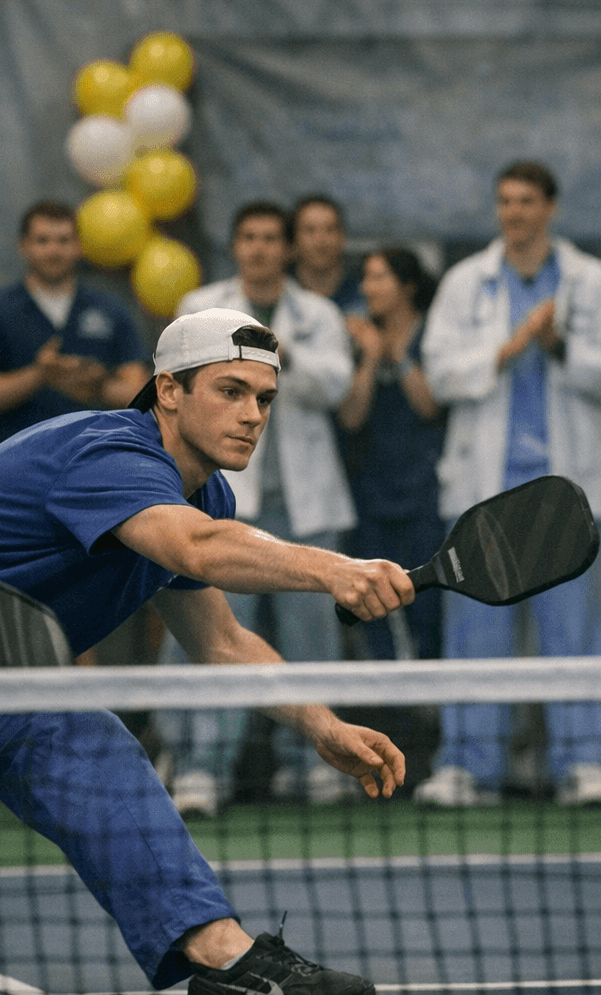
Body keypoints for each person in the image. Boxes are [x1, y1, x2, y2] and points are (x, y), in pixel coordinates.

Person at [0, 307, 412, 995]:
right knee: (67, 728)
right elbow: (195, 547)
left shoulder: (202, 497)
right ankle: (223, 953)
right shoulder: (109, 453)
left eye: (263, 398)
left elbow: (223, 642)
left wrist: (324, 725)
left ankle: (219, 951)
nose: (252, 415)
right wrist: (335, 568)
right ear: (169, 391)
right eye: (229, 391)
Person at [416, 159, 601, 808]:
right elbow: (439, 372)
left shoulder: (593, 281)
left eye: (526, 201)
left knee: (574, 635)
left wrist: (560, 344)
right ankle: (467, 766)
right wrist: (510, 349)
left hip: (568, 495)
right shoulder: (464, 283)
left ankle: (584, 765)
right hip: (484, 493)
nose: (514, 212)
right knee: (475, 637)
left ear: (549, 207)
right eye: (505, 201)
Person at [160, 201, 357, 813]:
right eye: (249, 237)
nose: (261, 248)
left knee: (312, 640)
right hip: (222, 502)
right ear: (235, 245)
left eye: (272, 238)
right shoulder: (199, 306)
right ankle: (202, 768)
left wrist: (281, 353)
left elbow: (338, 386)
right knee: (216, 634)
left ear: (288, 248)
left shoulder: (319, 314)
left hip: (306, 503)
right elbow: (176, 385)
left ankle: (313, 763)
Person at [0, 199, 151, 447]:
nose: (54, 250)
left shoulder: (110, 309)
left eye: (63, 240)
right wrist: (40, 374)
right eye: (42, 240)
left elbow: (138, 395)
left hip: (98, 459)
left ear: (78, 246)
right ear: (24, 246)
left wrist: (96, 383)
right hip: (14, 463)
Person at [338, 246, 446, 664]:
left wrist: (396, 354)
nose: (368, 287)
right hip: (371, 485)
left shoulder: (433, 332)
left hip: (424, 485)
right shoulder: (358, 336)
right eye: (365, 277)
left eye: (379, 277)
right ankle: (387, 705)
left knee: (426, 600)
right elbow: (351, 417)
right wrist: (369, 357)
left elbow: (429, 406)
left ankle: (430, 708)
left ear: (407, 286)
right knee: (373, 599)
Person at [291, 194, 365, 313]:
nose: (320, 241)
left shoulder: (365, 292)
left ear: (343, 236)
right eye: (310, 230)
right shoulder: (278, 293)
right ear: (294, 239)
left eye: (330, 229)